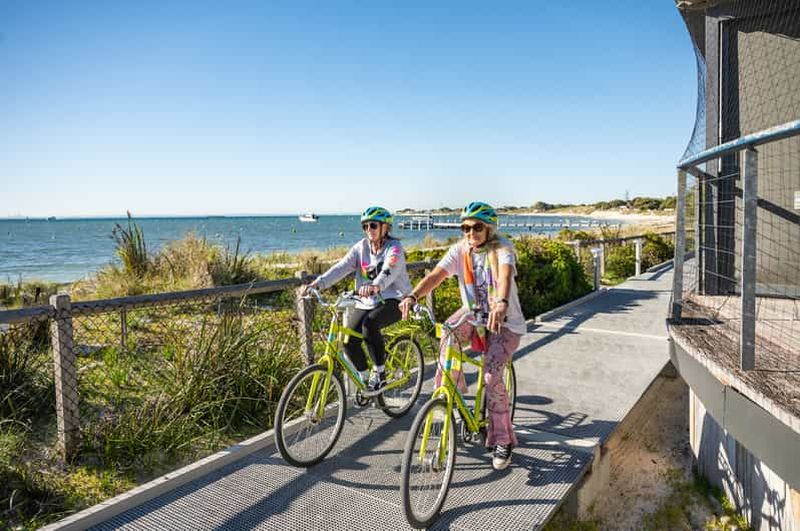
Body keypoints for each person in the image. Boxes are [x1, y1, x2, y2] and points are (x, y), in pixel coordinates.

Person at [399, 201, 525, 470]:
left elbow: (504, 276)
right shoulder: (460, 251)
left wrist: (501, 302)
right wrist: (412, 295)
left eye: (477, 227)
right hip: (474, 315)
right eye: (465, 228)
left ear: (489, 228)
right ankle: (449, 399)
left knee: (491, 377)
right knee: (447, 334)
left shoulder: (503, 247)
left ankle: (503, 439)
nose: (470, 233)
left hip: (506, 323)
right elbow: (436, 275)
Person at [303, 206, 411, 393]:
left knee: (369, 325)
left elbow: (389, 270)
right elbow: (341, 267)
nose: (369, 229)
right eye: (365, 226)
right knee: (348, 341)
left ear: (385, 227)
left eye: (373, 225)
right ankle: (365, 379)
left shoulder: (394, 248)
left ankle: (380, 374)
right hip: (368, 301)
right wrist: (317, 284)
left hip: (396, 299)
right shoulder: (361, 248)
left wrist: (375, 285)